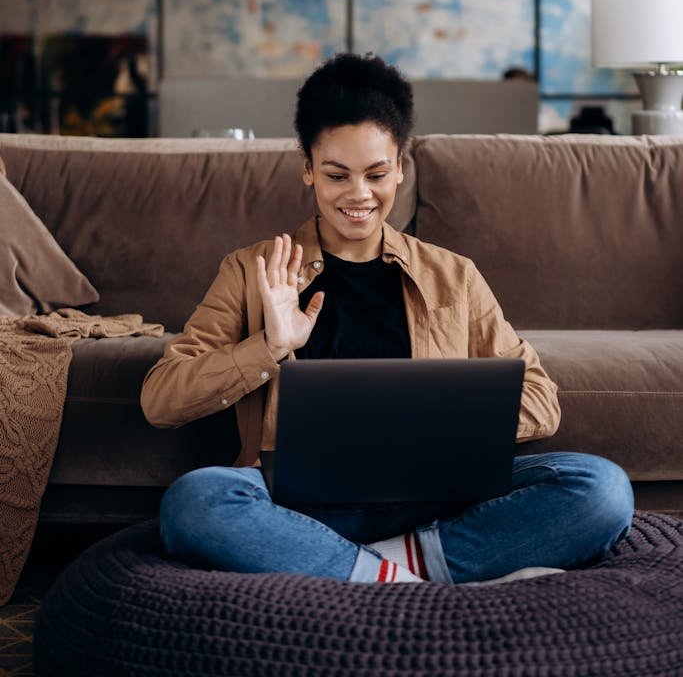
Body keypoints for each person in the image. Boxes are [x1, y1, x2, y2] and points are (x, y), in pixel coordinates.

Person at [141, 53, 633, 585]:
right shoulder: (251, 270)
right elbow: (161, 399)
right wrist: (269, 345)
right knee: (195, 502)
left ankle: (365, 573)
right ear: (307, 167)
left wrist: (430, 432)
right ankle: (417, 573)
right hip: (298, 505)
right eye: (336, 175)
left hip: (434, 502)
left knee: (601, 488)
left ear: (400, 166)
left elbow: (541, 399)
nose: (359, 195)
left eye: (377, 173)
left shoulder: (453, 275)